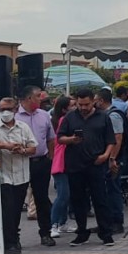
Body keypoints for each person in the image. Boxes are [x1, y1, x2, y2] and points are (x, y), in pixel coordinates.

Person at [56, 88, 116, 247]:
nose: (83, 107)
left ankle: (106, 233)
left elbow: (111, 140)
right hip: (75, 165)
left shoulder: (103, 117)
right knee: (78, 201)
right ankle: (81, 233)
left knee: (100, 200)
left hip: (96, 164)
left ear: (93, 101)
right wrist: (71, 140)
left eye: (86, 104)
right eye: (80, 104)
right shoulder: (70, 117)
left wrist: (106, 156)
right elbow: (60, 138)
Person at [0, 97, 38, 254]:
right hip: (1, 176)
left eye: (8, 109)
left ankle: (12, 237)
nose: (5, 113)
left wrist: (22, 150)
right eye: (1, 109)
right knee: (7, 208)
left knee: (16, 209)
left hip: (21, 174)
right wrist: (4, 146)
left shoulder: (23, 127)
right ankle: (10, 241)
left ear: (16, 110)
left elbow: (34, 148)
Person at [15, 85, 56, 247]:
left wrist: (50, 158)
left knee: (42, 199)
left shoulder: (44, 115)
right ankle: (14, 237)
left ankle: (45, 233)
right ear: (28, 98)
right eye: (38, 96)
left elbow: (51, 138)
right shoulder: (14, 116)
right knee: (17, 200)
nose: (41, 99)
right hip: (20, 162)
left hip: (41, 162)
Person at [94, 88, 126, 234]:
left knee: (113, 189)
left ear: (101, 100)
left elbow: (117, 138)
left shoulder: (113, 116)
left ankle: (116, 221)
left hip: (113, 159)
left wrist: (112, 158)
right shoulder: (105, 115)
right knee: (105, 190)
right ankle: (106, 222)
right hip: (107, 158)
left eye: (95, 100)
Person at [50, 95, 75, 238]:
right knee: (63, 195)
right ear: (65, 109)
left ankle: (62, 222)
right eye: (72, 105)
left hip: (68, 162)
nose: (75, 108)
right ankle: (53, 224)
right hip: (61, 163)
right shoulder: (63, 121)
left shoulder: (62, 119)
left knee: (66, 195)